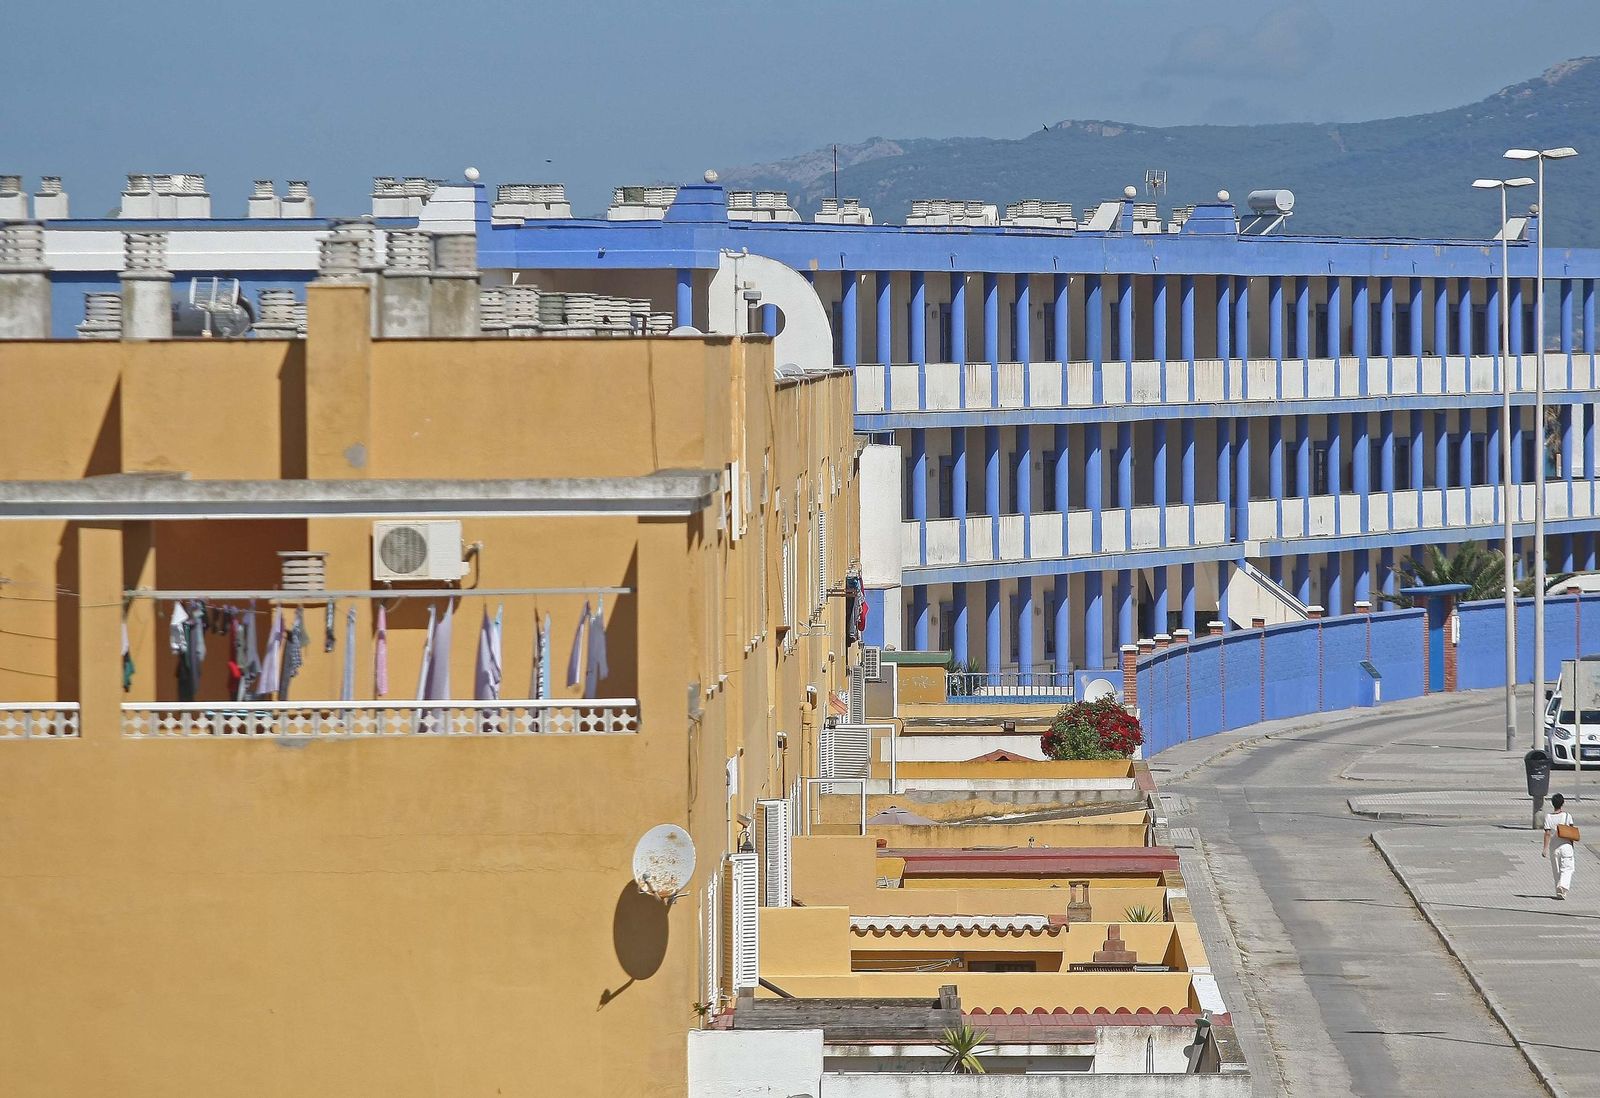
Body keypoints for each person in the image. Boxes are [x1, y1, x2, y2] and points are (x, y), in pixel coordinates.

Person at [1542, 793, 1578, 900]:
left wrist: (1545, 848)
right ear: (1562, 803)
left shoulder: (1548, 817)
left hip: (1554, 847)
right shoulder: (1567, 816)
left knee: (1556, 870)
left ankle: (1559, 893)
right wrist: (1572, 845)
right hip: (1566, 846)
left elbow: (1547, 833)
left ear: (1553, 804)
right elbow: (1571, 831)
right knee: (1568, 868)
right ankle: (1562, 886)